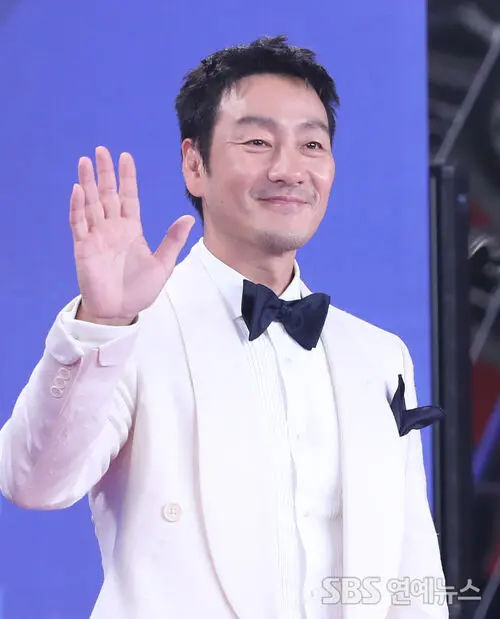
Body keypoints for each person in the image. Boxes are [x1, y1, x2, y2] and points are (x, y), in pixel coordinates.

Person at [0, 35, 447, 619]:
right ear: (195, 164)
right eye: (257, 142)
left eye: (312, 144)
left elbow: (412, 571)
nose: (289, 169)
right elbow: (35, 483)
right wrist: (104, 322)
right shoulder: (130, 329)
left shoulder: (378, 355)